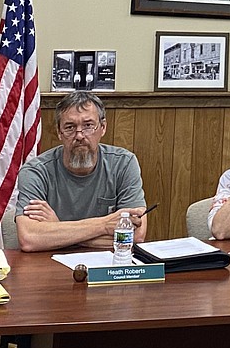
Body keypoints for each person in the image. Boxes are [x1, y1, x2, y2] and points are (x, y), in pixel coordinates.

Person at [15, 91, 148, 252]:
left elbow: (136, 236)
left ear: (102, 128)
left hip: (107, 266)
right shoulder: (35, 171)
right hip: (49, 267)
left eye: (88, 126)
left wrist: (57, 229)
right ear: (59, 132)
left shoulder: (124, 164)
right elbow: (29, 238)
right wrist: (105, 225)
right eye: (70, 127)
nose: (79, 135)